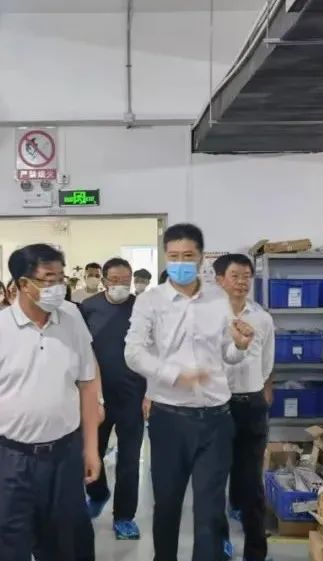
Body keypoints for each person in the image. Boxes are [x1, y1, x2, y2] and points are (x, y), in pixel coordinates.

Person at [124, 223, 255, 561]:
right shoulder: (150, 301)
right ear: (165, 257)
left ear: (201, 258)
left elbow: (227, 353)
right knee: (167, 503)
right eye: (173, 256)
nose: (180, 262)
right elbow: (133, 353)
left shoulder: (218, 298)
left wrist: (240, 346)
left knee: (210, 509)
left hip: (216, 419)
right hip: (170, 418)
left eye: (188, 255)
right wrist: (173, 375)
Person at [0, 244, 101, 561]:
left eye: (61, 278)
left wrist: (91, 448)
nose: (58, 287)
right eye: (49, 279)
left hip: (64, 454)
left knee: (68, 542)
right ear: (23, 284)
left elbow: (88, 384)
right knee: (11, 541)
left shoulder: (72, 320)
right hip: (10, 458)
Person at [80, 258, 146, 540]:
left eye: (126, 280)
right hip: (97, 396)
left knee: (129, 460)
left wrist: (150, 394)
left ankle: (124, 517)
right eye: (115, 280)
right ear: (105, 280)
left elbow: (153, 350)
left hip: (133, 395)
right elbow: (81, 350)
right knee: (90, 452)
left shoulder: (142, 308)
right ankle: (98, 492)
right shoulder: (89, 307)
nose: (121, 285)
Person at [214, 254, 275, 561]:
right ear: (219, 280)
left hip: (250, 404)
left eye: (246, 276)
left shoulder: (262, 318)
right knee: (214, 480)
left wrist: (260, 391)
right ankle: (219, 543)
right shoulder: (209, 318)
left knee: (251, 482)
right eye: (235, 276)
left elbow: (267, 363)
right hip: (217, 405)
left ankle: (256, 550)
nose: (242, 282)